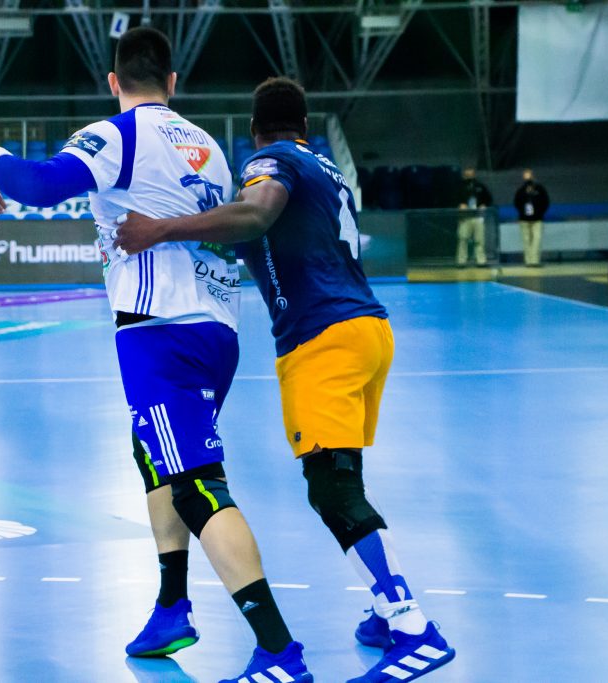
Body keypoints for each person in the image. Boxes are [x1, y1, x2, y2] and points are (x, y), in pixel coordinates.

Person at [0, 27, 312, 683]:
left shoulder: (118, 134)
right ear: (172, 82)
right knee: (152, 451)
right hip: (217, 328)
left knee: (199, 485)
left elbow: (40, 185)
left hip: (160, 330)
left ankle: (279, 650)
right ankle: (171, 605)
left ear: (113, 82)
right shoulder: (208, 146)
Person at [114, 77, 456, 683]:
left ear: (255, 131)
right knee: (344, 478)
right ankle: (385, 614)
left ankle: (412, 628)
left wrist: (160, 229)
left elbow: (256, 214)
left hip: (321, 338)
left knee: (332, 491)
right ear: (306, 126)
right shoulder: (326, 168)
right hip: (368, 331)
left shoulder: (269, 162)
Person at [455, 167, 492, 267]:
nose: (469, 174)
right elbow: (453, 199)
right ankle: (461, 261)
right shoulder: (459, 186)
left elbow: (488, 199)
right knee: (463, 238)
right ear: (464, 174)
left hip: (478, 216)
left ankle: (481, 261)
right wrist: (460, 205)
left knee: (479, 239)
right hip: (465, 217)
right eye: (467, 172)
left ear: (474, 174)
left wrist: (484, 205)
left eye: (471, 172)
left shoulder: (480, 186)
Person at [513, 169, 550, 267]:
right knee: (526, 240)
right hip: (524, 220)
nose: (528, 179)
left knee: (537, 239)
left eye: (529, 176)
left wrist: (540, 213)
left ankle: (535, 261)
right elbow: (516, 203)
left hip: (537, 219)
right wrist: (522, 213)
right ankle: (528, 261)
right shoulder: (521, 190)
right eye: (526, 177)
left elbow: (546, 202)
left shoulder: (540, 189)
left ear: (533, 176)